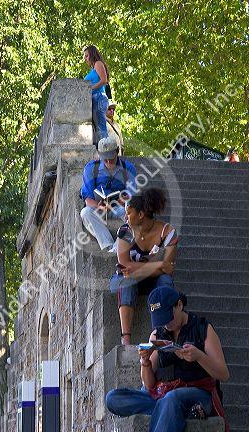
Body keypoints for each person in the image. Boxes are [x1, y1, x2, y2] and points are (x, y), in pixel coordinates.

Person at [106, 286, 230, 432]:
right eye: (161, 319)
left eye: (168, 317)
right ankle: (178, 411)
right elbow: (148, 385)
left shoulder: (202, 329)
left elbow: (224, 374)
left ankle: (174, 408)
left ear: (179, 305)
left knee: (172, 398)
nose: (166, 324)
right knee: (114, 398)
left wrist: (199, 356)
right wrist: (145, 362)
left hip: (198, 393)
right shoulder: (157, 334)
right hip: (161, 393)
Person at [109, 188, 178, 345]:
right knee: (127, 280)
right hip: (125, 279)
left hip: (152, 280)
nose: (126, 216)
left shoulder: (167, 233)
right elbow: (124, 266)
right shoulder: (126, 230)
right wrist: (159, 264)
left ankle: (161, 334)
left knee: (165, 281)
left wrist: (138, 269)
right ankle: (126, 339)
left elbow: (169, 269)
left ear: (140, 215)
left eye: (129, 212)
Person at [80, 136, 136, 252]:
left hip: (119, 207)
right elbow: (87, 199)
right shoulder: (90, 169)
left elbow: (132, 193)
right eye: (105, 159)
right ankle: (108, 247)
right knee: (85, 212)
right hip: (99, 209)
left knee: (135, 215)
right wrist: (100, 206)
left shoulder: (128, 168)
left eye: (111, 158)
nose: (109, 162)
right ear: (99, 155)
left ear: (117, 152)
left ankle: (118, 247)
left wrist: (120, 201)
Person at [84, 45, 109, 143]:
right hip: (94, 100)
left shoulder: (98, 64)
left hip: (99, 98)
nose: (85, 59)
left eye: (87, 56)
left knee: (101, 127)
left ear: (92, 54)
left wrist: (90, 88)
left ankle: (106, 150)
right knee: (97, 128)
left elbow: (104, 80)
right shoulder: (93, 69)